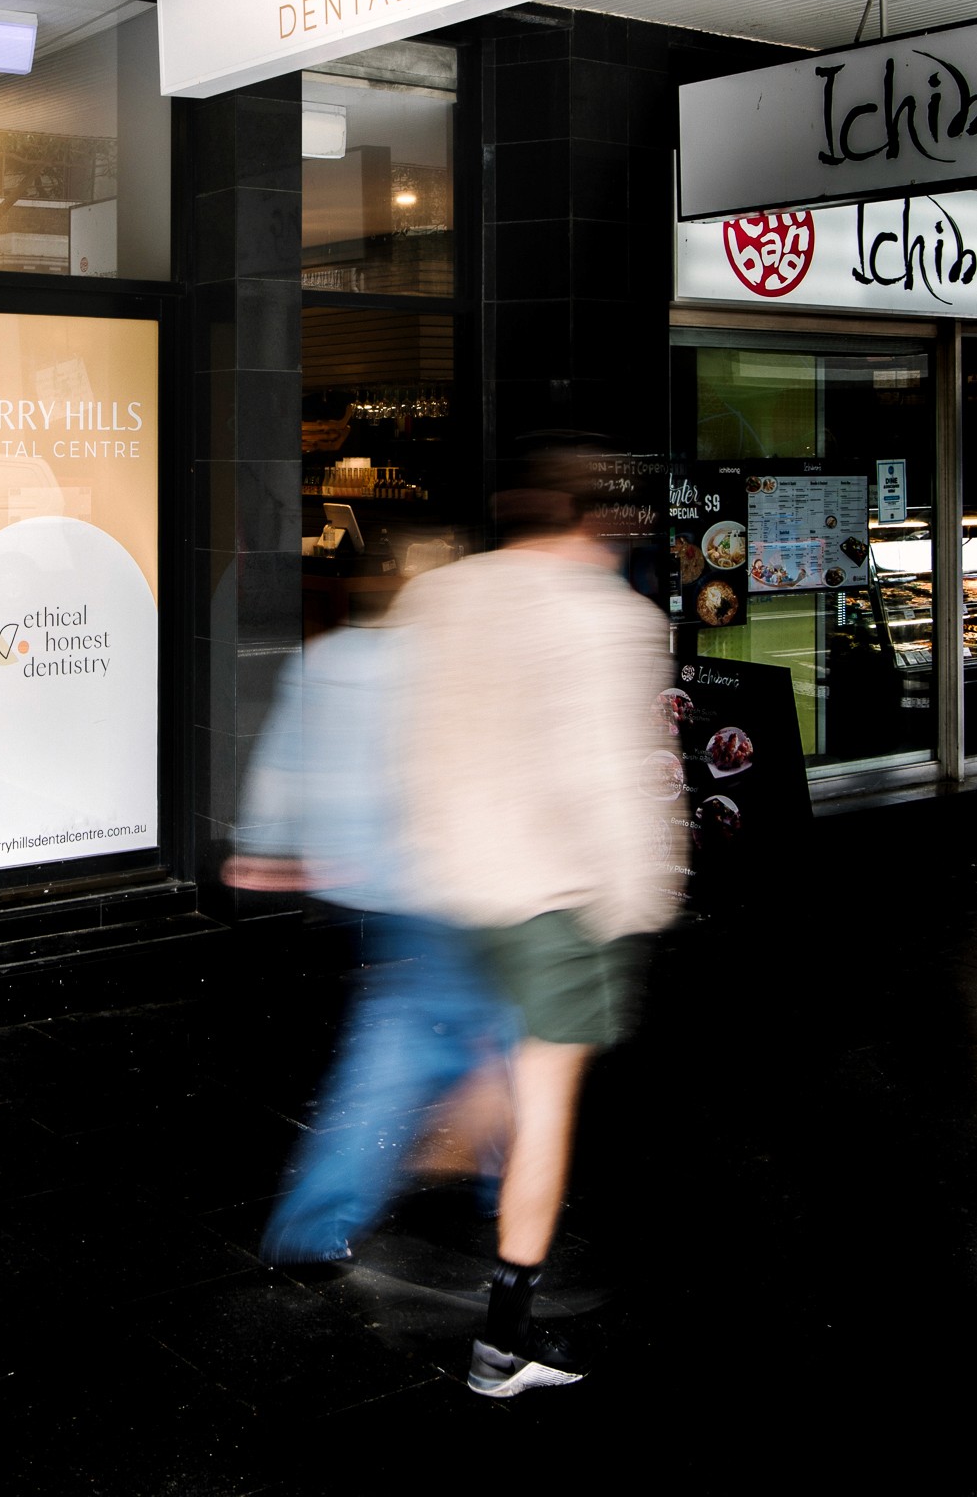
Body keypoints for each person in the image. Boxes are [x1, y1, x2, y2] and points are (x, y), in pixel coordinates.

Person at [391, 453, 676, 1397]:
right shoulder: (610, 619)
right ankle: (501, 1345)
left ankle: (465, 1112)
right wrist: (640, 897)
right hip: (553, 897)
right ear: (591, 521)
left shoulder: (443, 596)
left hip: (455, 886)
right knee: (547, 1103)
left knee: (503, 1060)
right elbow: (609, 779)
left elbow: (415, 739)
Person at [225, 618, 515, 1266]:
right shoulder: (451, 658)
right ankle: (324, 1216)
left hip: (369, 881)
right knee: (444, 1032)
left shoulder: (327, 656)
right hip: (442, 878)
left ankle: (486, 1166)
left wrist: (263, 843)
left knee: (435, 1025)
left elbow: (281, 759)